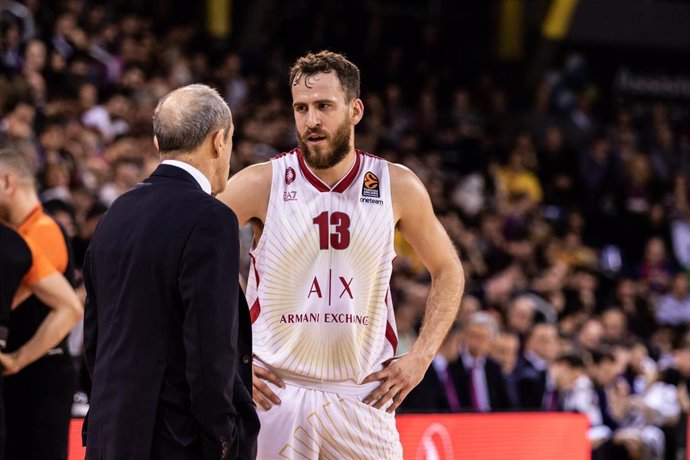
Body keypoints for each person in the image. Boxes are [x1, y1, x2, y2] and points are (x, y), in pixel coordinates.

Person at [218, 51, 464, 459]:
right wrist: (226, 357)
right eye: (301, 108)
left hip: (362, 397)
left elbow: (448, 270)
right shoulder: (262, 182)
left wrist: (421, 357)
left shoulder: (396, 184)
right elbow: (185, 253)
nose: (311, 120)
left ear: (355, 110)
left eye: (324, 106)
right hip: (273, 396)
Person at [83, 84, 258, 460]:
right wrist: (223, 439)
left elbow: (95, 336)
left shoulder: (115, 214)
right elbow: (210, 346)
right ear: (218, 141)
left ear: (158, 143)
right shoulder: (211, 218)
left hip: (108, 432)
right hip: (175, 441)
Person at [0, 148, 82, 460]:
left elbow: (10, 299)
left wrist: (19, 358)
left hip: (41, 376)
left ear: (8, 182)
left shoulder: (43, 231)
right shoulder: (20, 233)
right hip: (26, 377)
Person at [450, 311, 512, 411]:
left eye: (481, 337)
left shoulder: (494, 367)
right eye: (473, 336)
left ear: (491, 341)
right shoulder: (452, 364)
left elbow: (505, 404)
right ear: (464, 336)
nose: (476, 342)